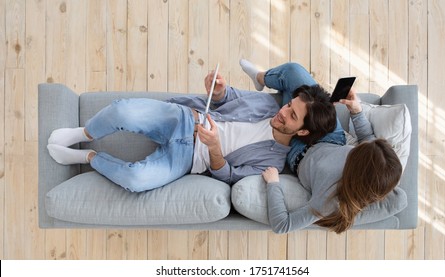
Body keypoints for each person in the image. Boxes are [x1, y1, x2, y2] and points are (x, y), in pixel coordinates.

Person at [47, 69, 337, 192]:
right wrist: (219, 89)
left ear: (301, 132)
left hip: (188, 159)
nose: (282, 111)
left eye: (292, 115)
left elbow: (230, 176)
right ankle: (83, 134)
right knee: (122, 110)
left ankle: (88, 159)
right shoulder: (266, 105)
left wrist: (213, 148)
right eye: (289, 105)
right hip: (186, 119)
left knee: (136, 180)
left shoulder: (273, 162)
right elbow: (231, 99)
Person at [239, 60, 402, 234]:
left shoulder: (329, 200)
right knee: (294, 71)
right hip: (332, 137)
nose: (360, 146)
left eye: (359, 150)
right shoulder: (375, 159)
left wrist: (273, 184)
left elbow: (283, 225)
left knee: (293, 103)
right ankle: (260, 78)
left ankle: (289, 103)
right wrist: (356, 111)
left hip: (299, 152)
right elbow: (368, 139)